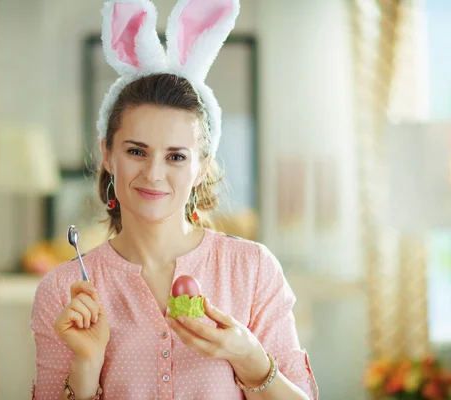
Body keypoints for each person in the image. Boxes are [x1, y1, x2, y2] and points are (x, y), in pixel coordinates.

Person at [30, 0, 318, 399]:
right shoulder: (63, 291)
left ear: (201, 167)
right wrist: (86, 367)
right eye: (136, 151)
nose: (153, 173)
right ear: (108, 154)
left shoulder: (252, 271)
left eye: (176, 157)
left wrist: (248, 356)